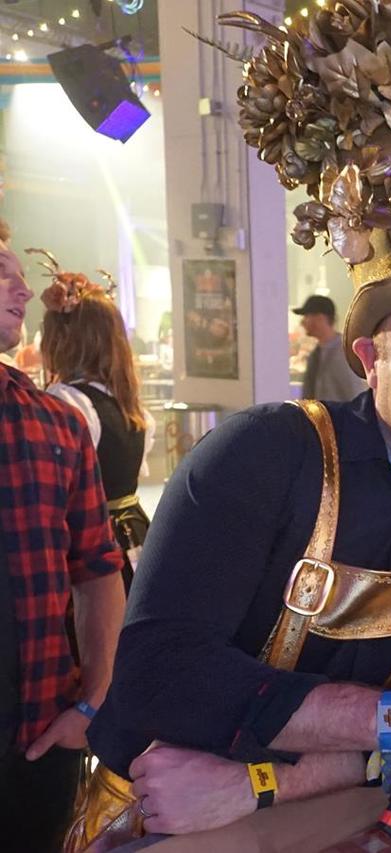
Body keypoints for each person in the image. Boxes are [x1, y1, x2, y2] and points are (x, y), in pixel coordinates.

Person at [68, 4, 391, 847]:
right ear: (367, 357)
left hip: (320, 820)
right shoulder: (264, 455)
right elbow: (159, 676)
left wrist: (258, 781)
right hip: (156, 822)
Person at [0, 246, 126, 852]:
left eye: (22, 278)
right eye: (3, 275)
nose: (24, 292)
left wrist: (92, 706)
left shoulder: (55, 422)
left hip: (37, 739)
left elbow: (97, 570)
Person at [36, 254, 154, 591]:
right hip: (136, 535)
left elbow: (55, 492)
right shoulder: (129, 404)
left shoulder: (66, 401)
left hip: (91, 545)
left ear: (60, 339)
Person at [293, 294, 366, 402]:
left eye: (306, 316)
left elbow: (354, 397)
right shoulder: (316, 354)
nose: (302, 322)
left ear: (320, 318)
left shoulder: (343, 354)